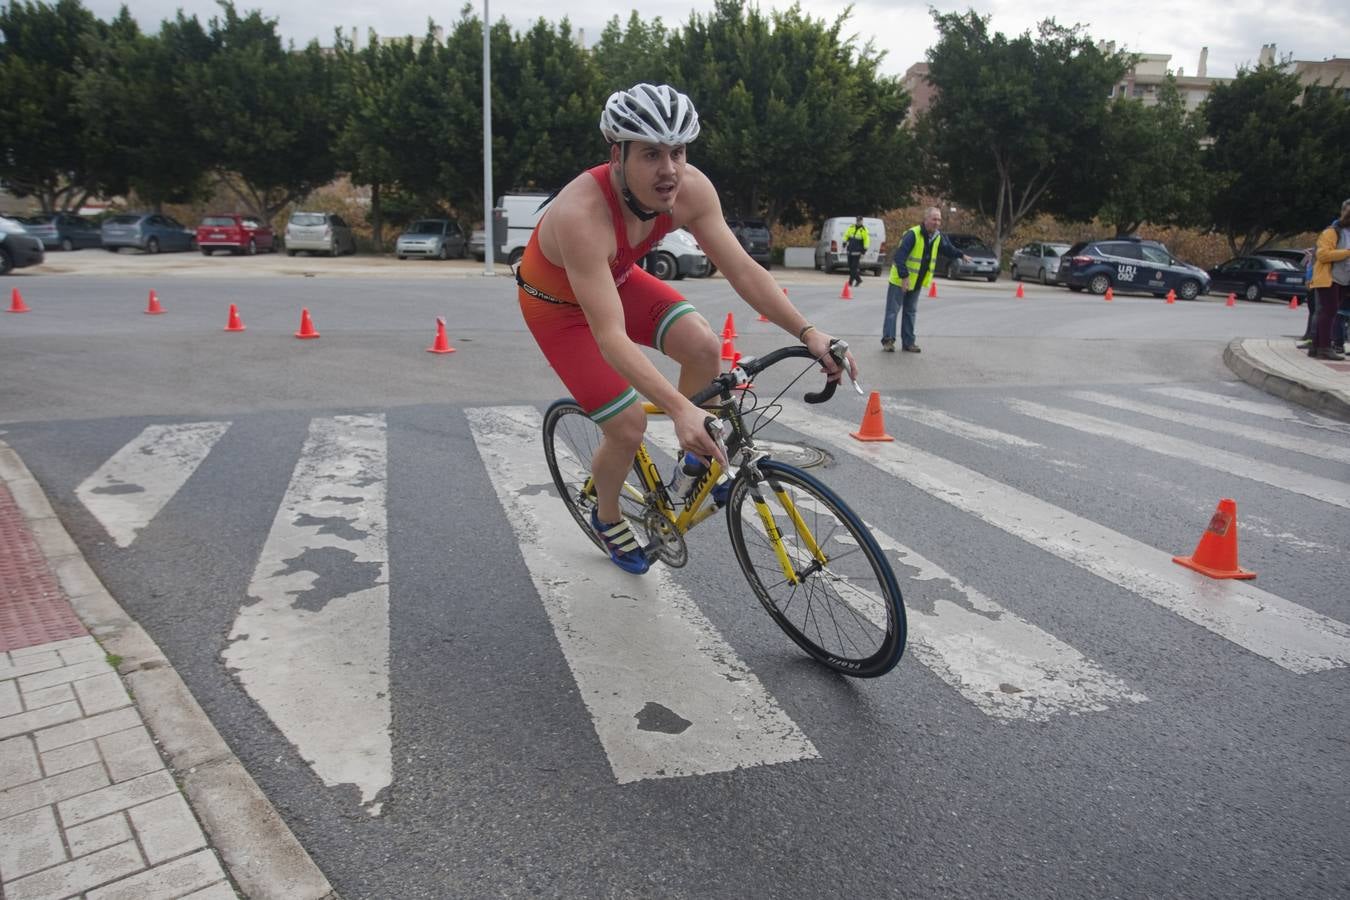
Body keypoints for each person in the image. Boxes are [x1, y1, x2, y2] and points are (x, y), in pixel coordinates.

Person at [516, 83, 856, 574]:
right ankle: (607, 514)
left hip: (618, 278)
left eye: (677, 151)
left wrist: (809, 333)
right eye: (652, 154)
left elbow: (743, 270)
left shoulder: (691, 190)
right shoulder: (581, 215)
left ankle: (691, 466)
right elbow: (608, 335)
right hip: (557, 309)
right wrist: (678, 408)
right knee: (627, 424)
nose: (670, 169)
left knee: (702, 344)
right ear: (618, 154)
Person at [881, 207, 969, 353]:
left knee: (910, 312)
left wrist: (961, 255)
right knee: (892, 311)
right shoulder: (913, 234)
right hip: (900, 281)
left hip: (916, 282)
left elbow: (948, 249)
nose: (937, 222)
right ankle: (888, 341)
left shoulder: (937, 237)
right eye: (934, 219)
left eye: (939, 219)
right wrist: (904, 277)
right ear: (926, 219)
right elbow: (899, 257)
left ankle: (909, 343)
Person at [1308, 199, 1350, 361]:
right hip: (1329, 278)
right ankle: (1324, 347)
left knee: (1329, 312)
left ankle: (1316, 346)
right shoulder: (1332, 232)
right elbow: (1323, 255)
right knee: (1328, 312)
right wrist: (1347, 252)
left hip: (1344, 279)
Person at [843, 216, 869, 287]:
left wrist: (864, 249)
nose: (858, 222)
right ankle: (855, 281)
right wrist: (844, 242)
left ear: (862, 221)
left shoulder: (864, 230)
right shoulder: (851, 227)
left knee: (854, 267)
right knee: (850, 266)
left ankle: (853, 281)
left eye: (860, 221)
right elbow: (846, 235)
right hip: (850, 250)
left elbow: (866, 240)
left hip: (857, 251)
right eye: (857, 221)